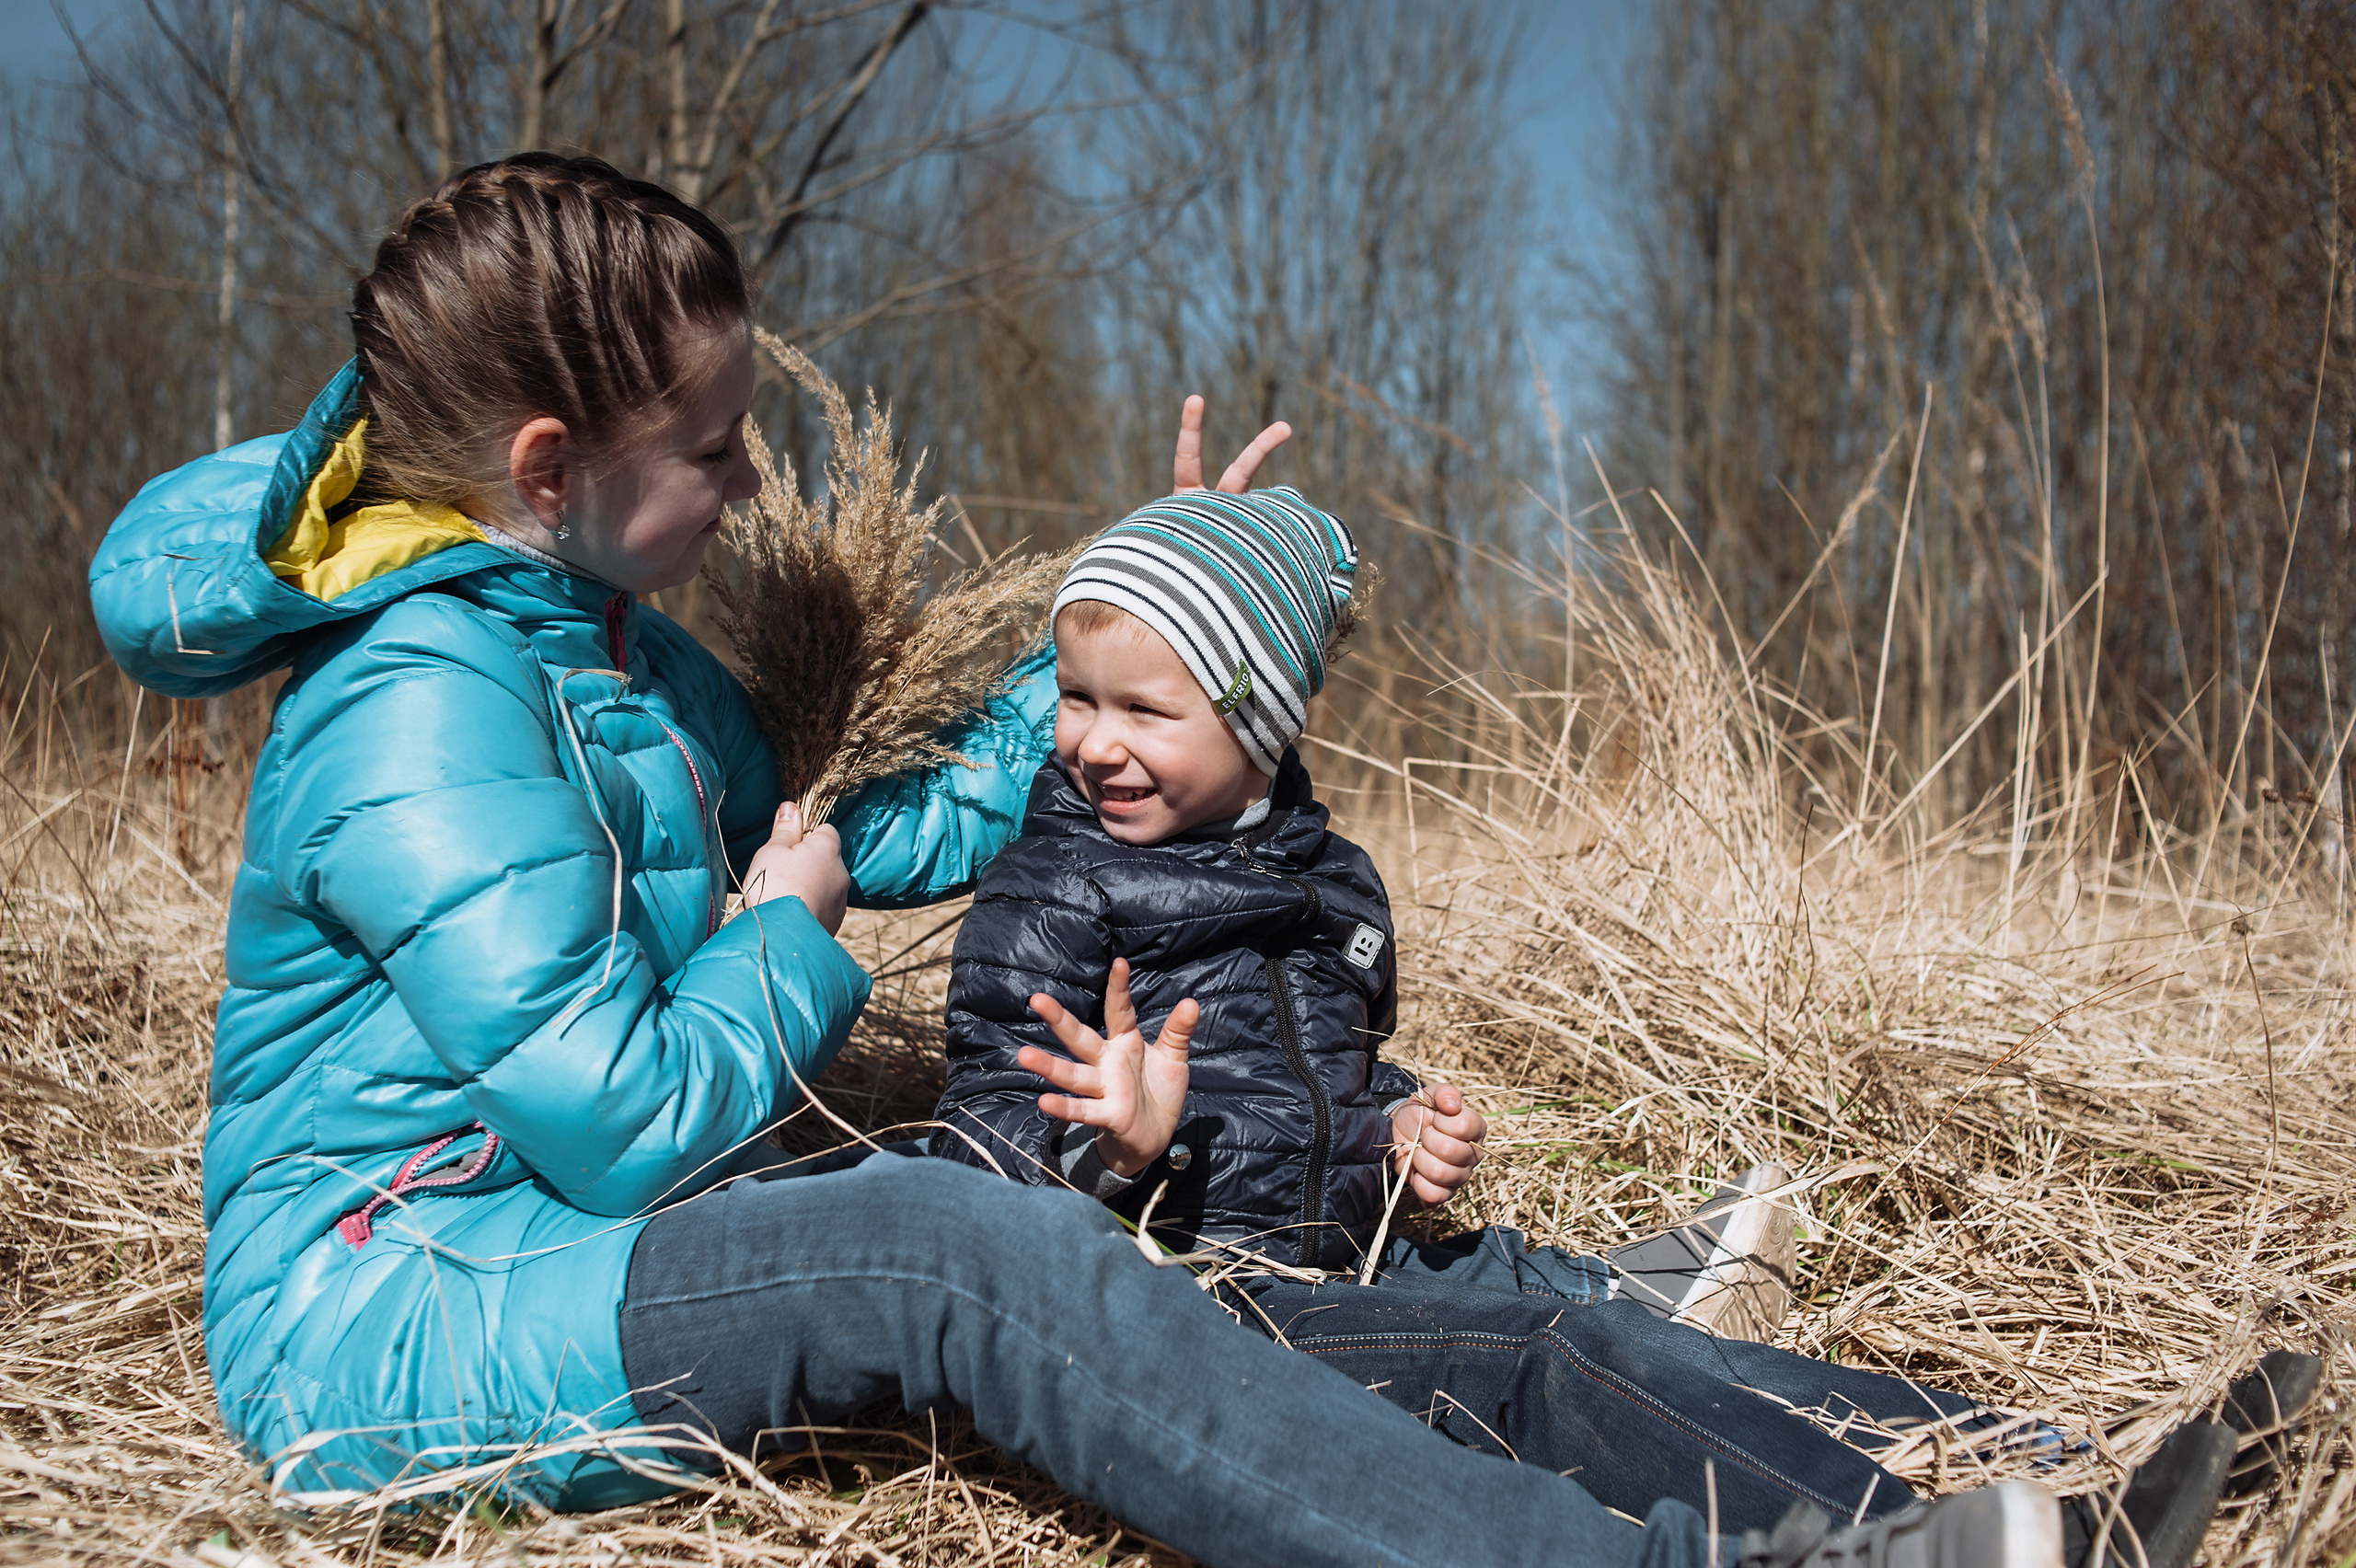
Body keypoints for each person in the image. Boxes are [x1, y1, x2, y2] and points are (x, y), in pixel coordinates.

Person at [88, 153, 2295, 1568]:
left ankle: (2005, 1488)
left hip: (601, 1238)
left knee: (1346, 1307)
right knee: (975, 1257)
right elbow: (615, 1109)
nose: (750, 486)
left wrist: (1145, 621)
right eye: (709, 450)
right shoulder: (412, 718)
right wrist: (783, 945)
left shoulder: (621, 655)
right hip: (401, 1310)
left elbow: (905, 811)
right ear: (554, 463)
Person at [930, 487, 1795, 1339]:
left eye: (1144, 710)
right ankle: (1630, 1343)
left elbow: (1330, 1066)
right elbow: (974, 1130)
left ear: (1263, 725)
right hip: (1174, 1271)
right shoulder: (1055, 884)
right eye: (1077, 698)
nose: (1096, 742)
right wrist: (1113, 1151)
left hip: (1330, 1254)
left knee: (1472, 1271)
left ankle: (1639, 1305)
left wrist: (1398, 1130)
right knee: (1453, 1337)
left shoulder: (1335, 880)